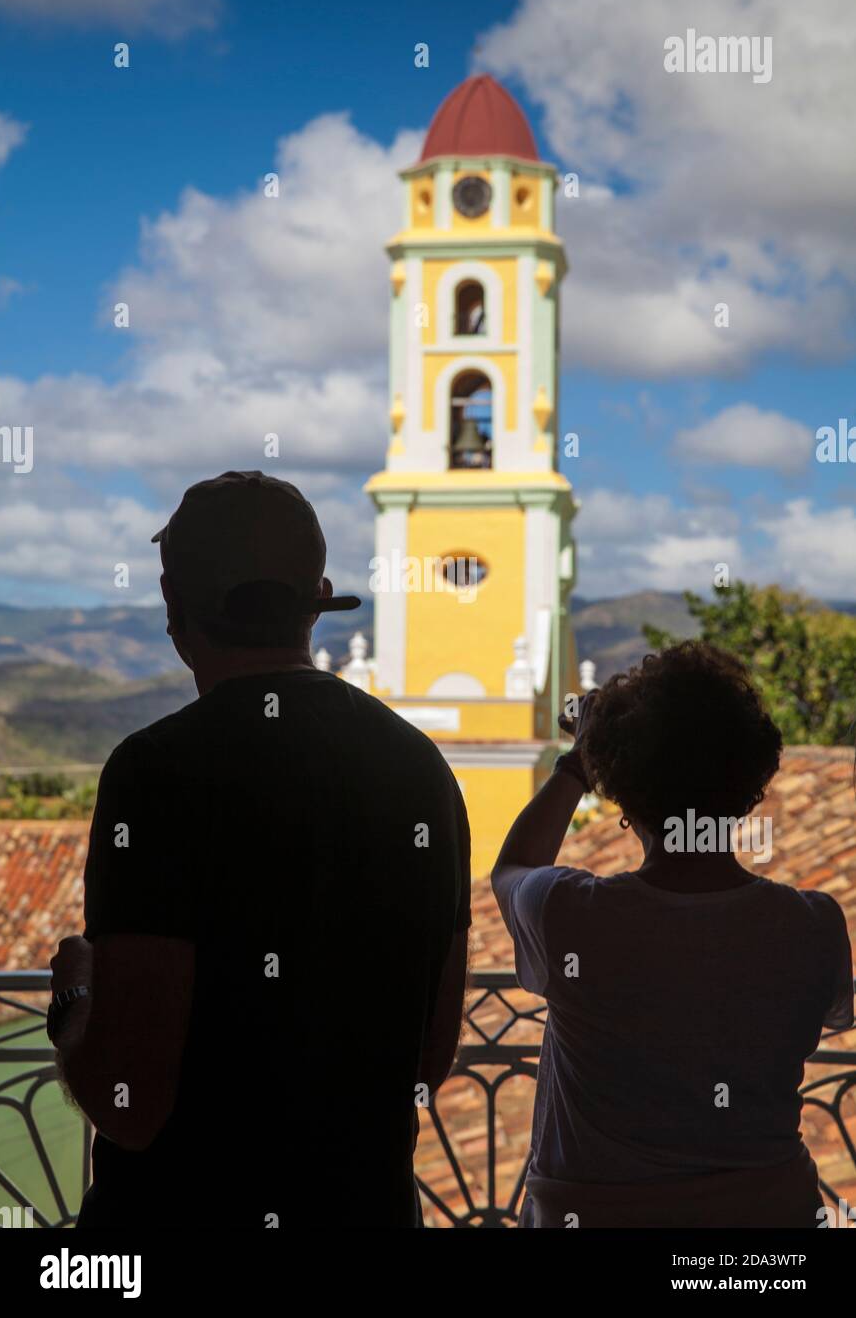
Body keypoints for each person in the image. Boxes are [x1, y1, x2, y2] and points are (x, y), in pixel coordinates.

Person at [49, 470, 470, 1228]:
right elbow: (429, 1063)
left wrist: (74, 995)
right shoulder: (422, 769)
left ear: (174, 606)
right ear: (319, 594)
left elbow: (132, 1104)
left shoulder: (158, 771)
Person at [492, 642, 853, 1229]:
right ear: (752, 783)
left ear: (626, 799)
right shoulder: (813, 925)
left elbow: (509, 870)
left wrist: (575, 764)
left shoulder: (571, 915)